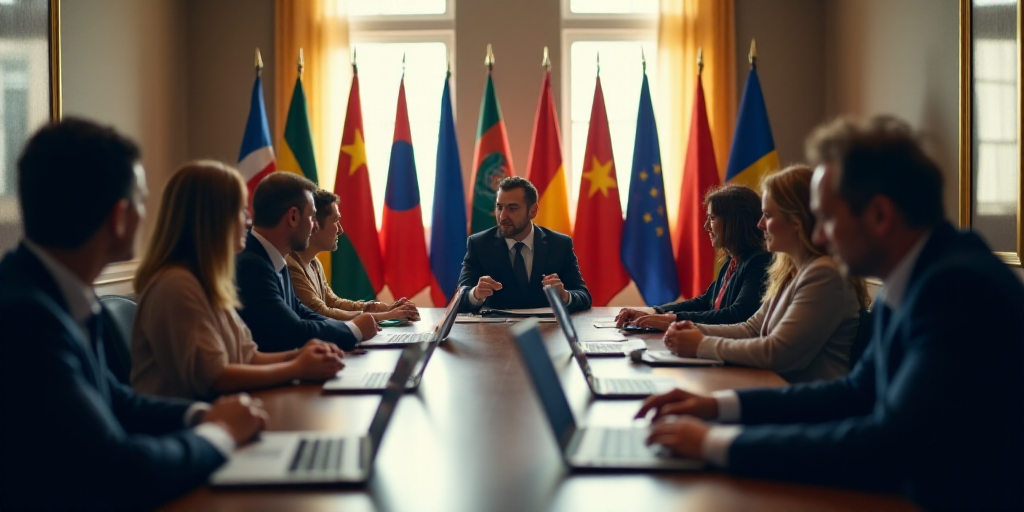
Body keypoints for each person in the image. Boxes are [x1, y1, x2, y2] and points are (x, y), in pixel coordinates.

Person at [636, 116, 1024, 510]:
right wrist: (717, 406)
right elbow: (855, 391)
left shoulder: (959, 290)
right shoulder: (909, 275)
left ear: (879, 215)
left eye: (828, 218)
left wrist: (714, 441)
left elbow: (886, 446)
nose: (819, 236)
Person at [0, 119, 267, 511]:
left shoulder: (49, 290)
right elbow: (119, 471)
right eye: (142, 201)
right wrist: (221, 434)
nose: (147, 213)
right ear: (119, 217)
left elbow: (117, 400)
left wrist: (203, 414)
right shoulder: (25, 318)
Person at [131, 162, 347, 400]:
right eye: (241, 211)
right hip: (185, 427)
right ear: (213, 218)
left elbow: (249, 356)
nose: (247, 222)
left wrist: (303, 356)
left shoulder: (208, 282)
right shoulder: (176, 284)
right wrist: (296, 367)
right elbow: (216, 378)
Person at [656, 166, 867, 383]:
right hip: (776, 389)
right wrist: (692, 329)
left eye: (767, 215)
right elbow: (751, 328)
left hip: (805, 406)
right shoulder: (792, 271)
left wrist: (700, 344)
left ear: (796, 221)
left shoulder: (824, 274)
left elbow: (777, 353)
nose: (760, 224)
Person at [236, 172, 379, 352]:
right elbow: (294, 331)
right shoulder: (252, 265)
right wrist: (354, 329)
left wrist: (352, 326)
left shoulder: (273, 256)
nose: (316, 226)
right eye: (312, 216)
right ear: (293, 217)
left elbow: (302, 312)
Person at [616, 185, 770, 331]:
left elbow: (736, 314)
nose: (706, 226)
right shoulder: (733, 261)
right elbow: (704, 302)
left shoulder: (759, 262)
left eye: (712, 218)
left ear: (735, 222)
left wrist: (672, 319)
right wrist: (655, 311)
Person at [457, 176, 592, 313]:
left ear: (533, 211)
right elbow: (459, 299)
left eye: (512, 208)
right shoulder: (479, 244)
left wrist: (564, 295)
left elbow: (583, 296)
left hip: (547, 332)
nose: (502, 216)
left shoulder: (559, 245)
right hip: (495, 331)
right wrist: (475, 294)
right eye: (499, 207)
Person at [287, 189, 420, 322]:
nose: (340, 229)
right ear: (314, 224)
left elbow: (334, 303)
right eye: (335, 221)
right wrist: (387, 316)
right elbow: (322, 314)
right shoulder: (290, 266)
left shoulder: (313, 263)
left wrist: (385, 308)